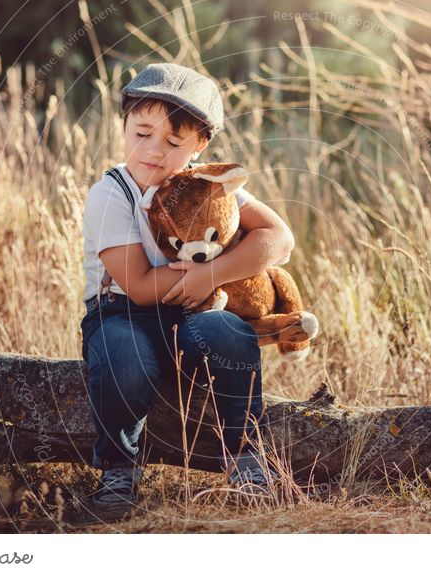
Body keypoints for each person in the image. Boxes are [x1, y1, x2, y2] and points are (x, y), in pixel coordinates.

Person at [79, 63, 294, 513]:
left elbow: (279, 238)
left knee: (229, 335)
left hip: (196, 312)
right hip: (121, 312)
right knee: (125, 359)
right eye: (141, 133)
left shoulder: (208, 186)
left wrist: (212, 276)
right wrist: (203, 275)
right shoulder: (111, 193)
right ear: (123, 126)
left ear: (200, 145)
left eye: (174, 143)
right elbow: (137, 286)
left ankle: (245, 457)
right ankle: (119, 467)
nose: (153, 151)